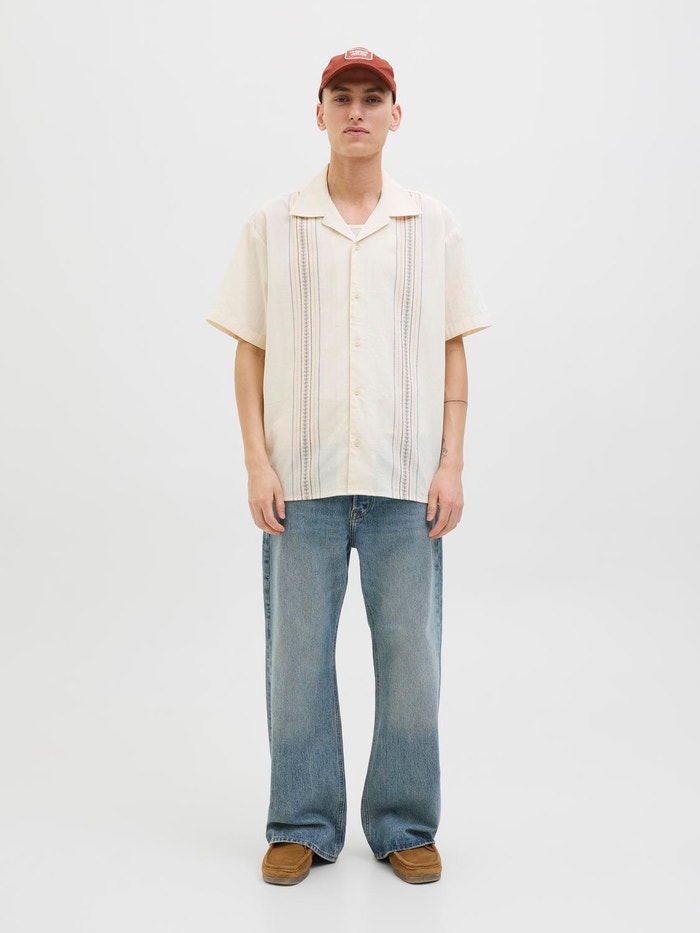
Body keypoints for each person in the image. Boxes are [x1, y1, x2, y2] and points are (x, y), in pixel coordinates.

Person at [205, 46, 491, 885]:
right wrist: (256, 462)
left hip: (406, 483)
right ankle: (302, 820)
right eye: (342, 98)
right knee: (296, 659)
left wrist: (452, 463)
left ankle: (403, 824)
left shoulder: (432, 225)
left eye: (372, 98)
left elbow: (453, 348)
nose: (357, 111)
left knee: (412, 659)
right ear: (320, 113)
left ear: (396, 115)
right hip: (302, 484)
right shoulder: (273, 224)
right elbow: (249, 349)